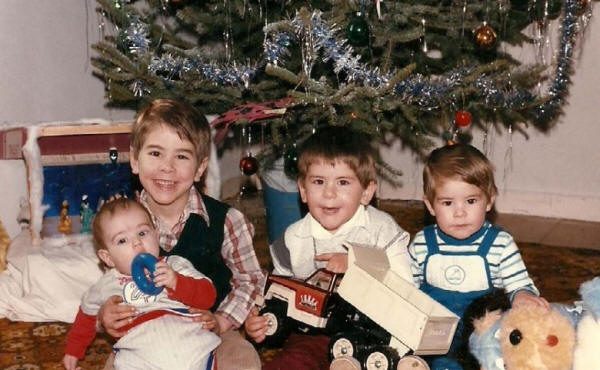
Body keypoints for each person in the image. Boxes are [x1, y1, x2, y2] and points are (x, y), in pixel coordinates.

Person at [98, 99, 265, 370]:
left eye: (182, 156)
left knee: (243, 360)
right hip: (144, 335)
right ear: (135, 160)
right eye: (155, 153)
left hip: (209, 332)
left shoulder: (228, 221)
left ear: (200, 168)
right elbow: (109, 283)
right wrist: (107, 312)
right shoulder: (120, 224)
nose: (167, 167)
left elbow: (251, 280)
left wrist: (221, 321)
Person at [245, 125, 414, 370]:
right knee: (291, 362)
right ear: (303, 190)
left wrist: (358, 264)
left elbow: (405, 285)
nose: (329, 193)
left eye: (343, 182)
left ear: (366, 192)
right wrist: (262, 320)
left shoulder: (382, 230)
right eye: (318, 181)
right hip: (315, 332)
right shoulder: (292, 239)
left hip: (373, 332)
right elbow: (279, 290)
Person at [408, 143, 549, 370]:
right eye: (447, 203)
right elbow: (407, 288)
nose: (460, 211)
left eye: (471, 201)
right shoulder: (422, 243)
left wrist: (522, 295)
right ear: (430, 206)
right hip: (433, 329)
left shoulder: (499, 243)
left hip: (482, 328)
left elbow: (518, 283)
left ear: (489, 200)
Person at [63, 198, 220, 370]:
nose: (137, 242)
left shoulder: (174, 265)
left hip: (191, 346)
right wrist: (73, 351)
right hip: (138, 356)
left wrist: (176, 281)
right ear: (108, 258)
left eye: (143, 233)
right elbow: (86, 315)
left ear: (156, 235)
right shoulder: (106, 285)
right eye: (122, 240)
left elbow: (208, 297)